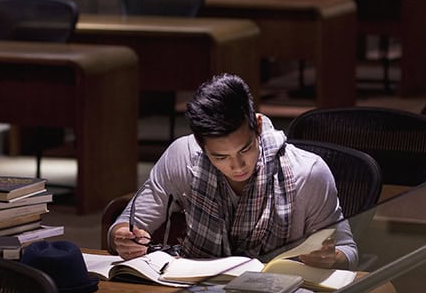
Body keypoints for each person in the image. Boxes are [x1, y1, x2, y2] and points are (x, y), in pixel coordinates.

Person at [109, 73, 357, 269]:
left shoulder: (308, 173)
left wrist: (331, 257)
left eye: (245, 149)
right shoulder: (183, 156)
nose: (237, 166)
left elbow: (348, 249)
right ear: (200, 144)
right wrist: (123, 238)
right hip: (196, 292)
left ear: (257, 126)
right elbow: (126, 225)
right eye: (220, 157)